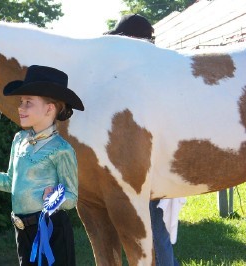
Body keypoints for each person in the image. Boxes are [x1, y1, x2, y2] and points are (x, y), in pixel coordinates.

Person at [0, 65, 84, 266]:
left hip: (50, 231)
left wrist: (56, 198)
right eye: (21, 102)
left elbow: (72, 197)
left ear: (49, 108)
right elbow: (9, 182)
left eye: (28, 102)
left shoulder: (62, 150)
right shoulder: (19, 140)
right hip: (22, 230)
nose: (20, 107)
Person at [105, 14, 181, 266]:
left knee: (152, 229)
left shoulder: (150, 78)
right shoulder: (140, 75)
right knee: (147, 230)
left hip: (149, 166)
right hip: (137, 166)